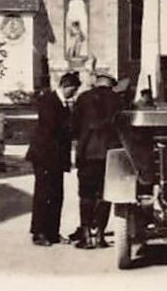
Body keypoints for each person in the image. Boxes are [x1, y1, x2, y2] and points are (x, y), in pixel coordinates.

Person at [69, 67, 122, 248]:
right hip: (111, 154)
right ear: (111, 83)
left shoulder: (83, 98)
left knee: (86, 194)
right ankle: (99, 236)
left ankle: (85, 236)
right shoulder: (119, 100)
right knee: (105, 194)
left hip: (87, 153)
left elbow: (73, 127)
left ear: (97, 80)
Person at [27, 72, 80, 246]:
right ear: (67, 87)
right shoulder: (48, 102)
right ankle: (39, 233)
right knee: (44, 194)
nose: (74, 94)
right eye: (73, 90)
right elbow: (54, 128)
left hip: (56, 158)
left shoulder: (62, 103)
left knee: (57, 195)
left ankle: (53, 232)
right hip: (44, 156)